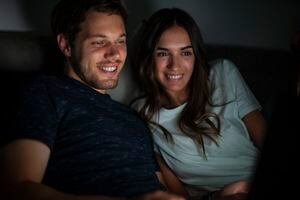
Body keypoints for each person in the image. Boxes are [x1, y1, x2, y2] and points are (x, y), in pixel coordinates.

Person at [0, 1, 186, 200]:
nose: (115, 54)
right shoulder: (45, 92)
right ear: (66, 45)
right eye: (99, 42)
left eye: (120, 41)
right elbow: (15, 188)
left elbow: (162, 188)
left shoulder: (133, 117)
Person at [131, 8, 266, 200]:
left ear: (195, 55)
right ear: (149, 57)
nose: (175, 65)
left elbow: (267, 141)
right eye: (163, 54)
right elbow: (175, 191)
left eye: (185, 53)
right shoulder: (142, 113)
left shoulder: (223, 74)